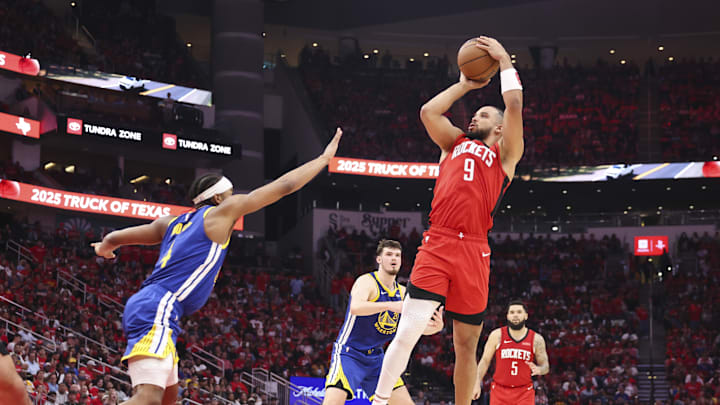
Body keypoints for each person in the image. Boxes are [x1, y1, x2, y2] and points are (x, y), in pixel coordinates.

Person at [92, 128, 343, 405]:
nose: (236, 199)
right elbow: (283, 187)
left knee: (168, 399)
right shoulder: (221, 212)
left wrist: (105, 247)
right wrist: (322, 159)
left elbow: (115, 237)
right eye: (231, 193)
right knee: (150, 399)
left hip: (151, 305)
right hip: (160, 306)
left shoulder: (170, 223)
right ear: (219, 197)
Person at [372, 36, 524, 405]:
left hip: (474, 250)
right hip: (438, 241)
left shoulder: (505, 157)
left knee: (466, 345)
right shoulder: (453, 142)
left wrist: (504, 61)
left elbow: (514, 103)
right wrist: (464, 84)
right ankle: (376, 401)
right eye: (476, 113)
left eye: (484, 114)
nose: (476, 116)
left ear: (500, 128)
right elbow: (428, 112)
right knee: (407, 330)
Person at [323, 240, 443, 405]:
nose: (393, 258)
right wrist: (391, 305)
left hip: (377, 359)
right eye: (388, 254)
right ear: (379, 259)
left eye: (397, 255)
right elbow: (355, 308)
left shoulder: (403, 293)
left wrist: (435, 327)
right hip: (349, 354)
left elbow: (415, 326)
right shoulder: (367, 282)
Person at [472, 300, 549, 404]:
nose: (515, 315)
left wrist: (540, 370)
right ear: (507, 316)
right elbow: (485, 361)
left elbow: (545, 366)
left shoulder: (536, 339)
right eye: (512, 312)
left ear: (526, 316)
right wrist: (477, 382)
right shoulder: (497, 335)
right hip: (499, 391)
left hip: (524, 392)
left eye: (519, 312)